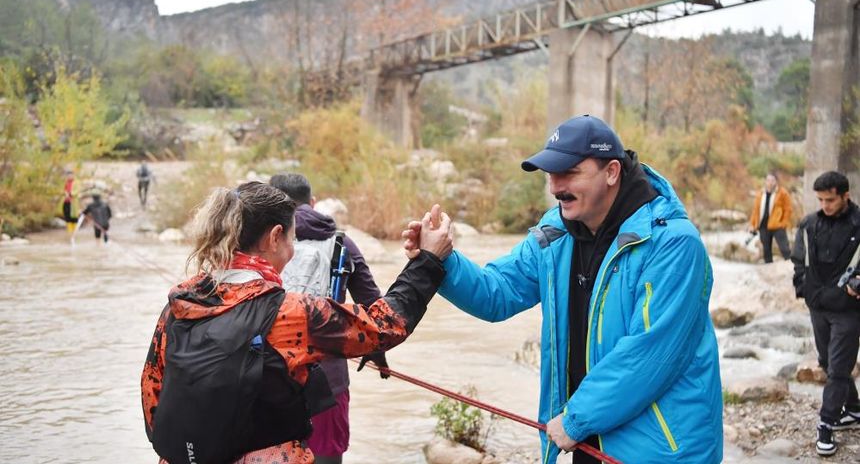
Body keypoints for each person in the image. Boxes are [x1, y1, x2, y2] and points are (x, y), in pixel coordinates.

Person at [403, 115, 722, 463]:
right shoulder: (556, 232)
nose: (556, 186)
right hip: (587, 441)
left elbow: (650, 355)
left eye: (569, 172)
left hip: (661, 451)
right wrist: (440, 259)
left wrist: (574, 419)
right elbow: (496, 293)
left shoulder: (673, 244)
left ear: (612, 172)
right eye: (551, 174)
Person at [140, 181, 453, 464]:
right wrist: (428, 259)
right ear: (276, 237)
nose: (292, 248)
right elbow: (383, 325)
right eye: (292, 237)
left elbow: (152, 397)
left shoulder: (180, 305)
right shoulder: (288, 313)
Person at [269, 173, 386, 464]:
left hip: (269, 378)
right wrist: (378, 355)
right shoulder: (341, 243)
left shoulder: (260, 240)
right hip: (329, 380)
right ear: (313, 202)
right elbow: (374, 306)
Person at [791, 171, 860, 457]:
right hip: (817, 305)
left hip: (849, 309)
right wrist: (802, 287)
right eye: (820, 200)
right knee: (827, 362)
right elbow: (798, 259)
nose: (825, 205)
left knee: (839, 369)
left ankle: (826, 425)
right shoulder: (809, 223)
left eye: (830, 200)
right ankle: (855, 409)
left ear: (845, 195)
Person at [748, 173, 792, 263]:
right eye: (768, 180)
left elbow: (788, 209)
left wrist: (783, 223)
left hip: (777, 226)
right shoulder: (760, 194)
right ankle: (769, 272)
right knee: (766, 251)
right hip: (763, 226)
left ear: (776, 182)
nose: (770, 183)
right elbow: (755, 211)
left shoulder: (782, 193)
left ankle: (793, 268)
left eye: (772, 180)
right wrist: (752, 224)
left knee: (785, 249)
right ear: (765, 181)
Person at [61, 169, 78, 235]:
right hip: (66, 201)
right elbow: (63, 189)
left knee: (74, 217)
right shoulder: (65, 182)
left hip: (73, 202)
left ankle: (74, 232)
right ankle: (70, 232)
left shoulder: (76, 183)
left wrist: (70, 194)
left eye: (71, 175)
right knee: (67, 216)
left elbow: (77, 191)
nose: (69, 177)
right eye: (68, 175)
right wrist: (65, 193)